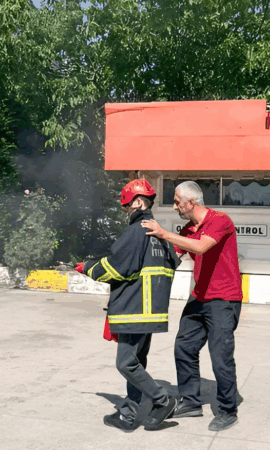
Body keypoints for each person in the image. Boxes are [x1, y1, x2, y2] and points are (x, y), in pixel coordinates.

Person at [76, 179, 180, 432]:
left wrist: (88, 267)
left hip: (135, 309)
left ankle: (163, 400)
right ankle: (128, 416)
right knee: (137, 363)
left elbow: (117, 267)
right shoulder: (159, 235)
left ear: (138, 202)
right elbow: (172, 263)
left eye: (127, 206)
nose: (126, 212)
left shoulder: (137, 231)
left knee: (126, 364)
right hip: (151, 310)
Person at [141, 180, 243, 432]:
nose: (175, 206)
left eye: (177, 202)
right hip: (199, 297)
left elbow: (201, 246)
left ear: (191, 202)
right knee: (184, 347)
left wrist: (163, 232)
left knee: (220, 357)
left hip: (224, 299)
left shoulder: (220, 221)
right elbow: (173, 257)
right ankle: (191, 402)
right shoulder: (188, 229)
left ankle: (228, 410)